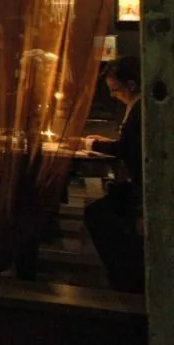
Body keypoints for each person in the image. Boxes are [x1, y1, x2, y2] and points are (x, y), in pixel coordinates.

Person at [83, 56, 144, 293]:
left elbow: (125, 149)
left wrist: (91, 145)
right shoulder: (137, 106)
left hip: (140, 188)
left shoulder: (140, 108)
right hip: (135, 183)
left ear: (131, 85)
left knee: (97, 214)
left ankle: (124, 275)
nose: (112, 95)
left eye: (115, 89)